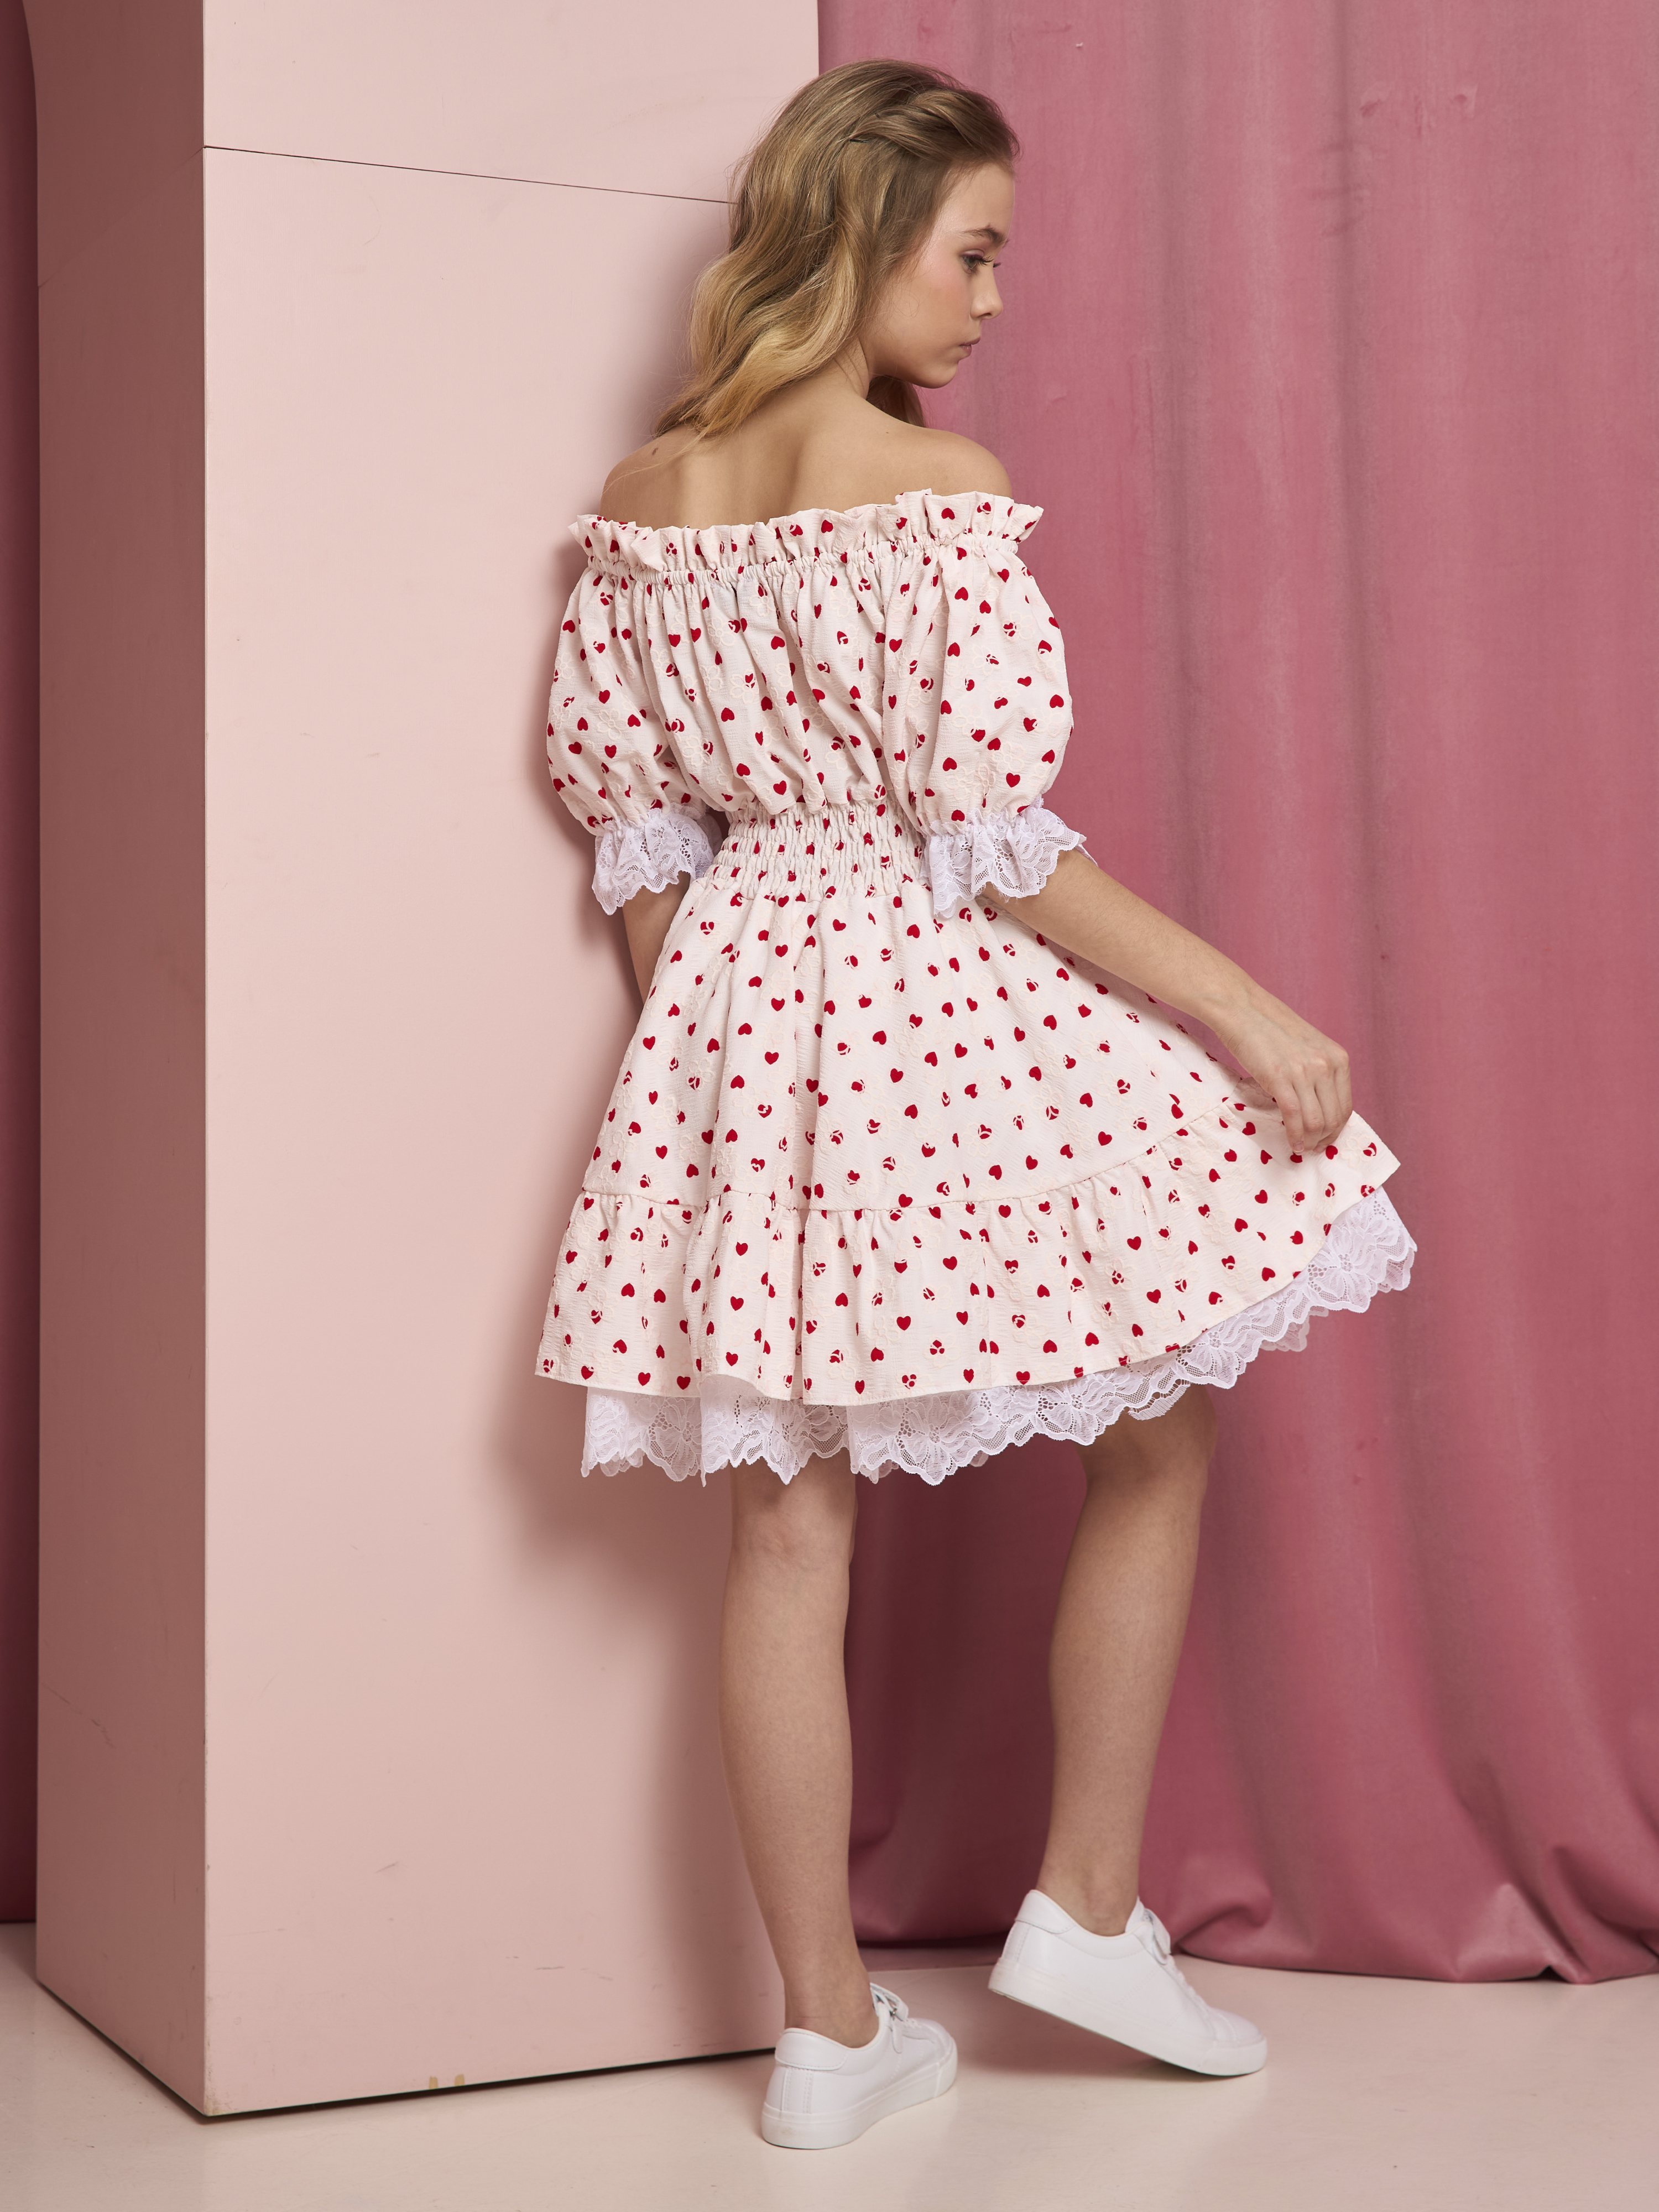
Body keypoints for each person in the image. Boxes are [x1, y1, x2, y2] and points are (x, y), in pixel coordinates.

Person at [536, 59, 1414, 2150]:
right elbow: (998, 845)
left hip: (737, 1013)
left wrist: (722, 1085)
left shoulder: (646, 502)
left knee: (784, 1525)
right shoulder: (927, 488)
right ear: (865, 233)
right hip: (921, 982)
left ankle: (826, 2038)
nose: (997, 297)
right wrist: (1246, 1008)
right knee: (1161, 1418)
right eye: (976, 250)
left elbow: (639, 849)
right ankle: (1088, 1911)